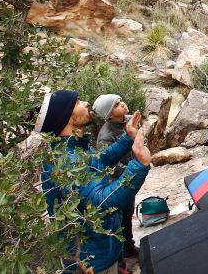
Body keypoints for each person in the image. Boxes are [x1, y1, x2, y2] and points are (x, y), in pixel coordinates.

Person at [35, 90, 152, 274]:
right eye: (77, 102)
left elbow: (100, 160)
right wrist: (139, 165)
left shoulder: (73, 148)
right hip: (93, 262)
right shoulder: (66, 161)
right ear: (66, 117)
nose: (86, 103)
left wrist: (128, 138)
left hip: (103, 249)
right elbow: (101, 203)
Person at [92, 94, 139, 268]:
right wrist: (132, 169)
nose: (122, 104)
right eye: (117, 104)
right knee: (118, 219)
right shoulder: (105, 135)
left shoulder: (127, 121)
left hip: (129, 178)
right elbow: (110, 164)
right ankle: (119, 260)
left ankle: (129, 247)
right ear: (110, 114)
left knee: (128, 214)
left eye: (120, 101)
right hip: (117, 183)